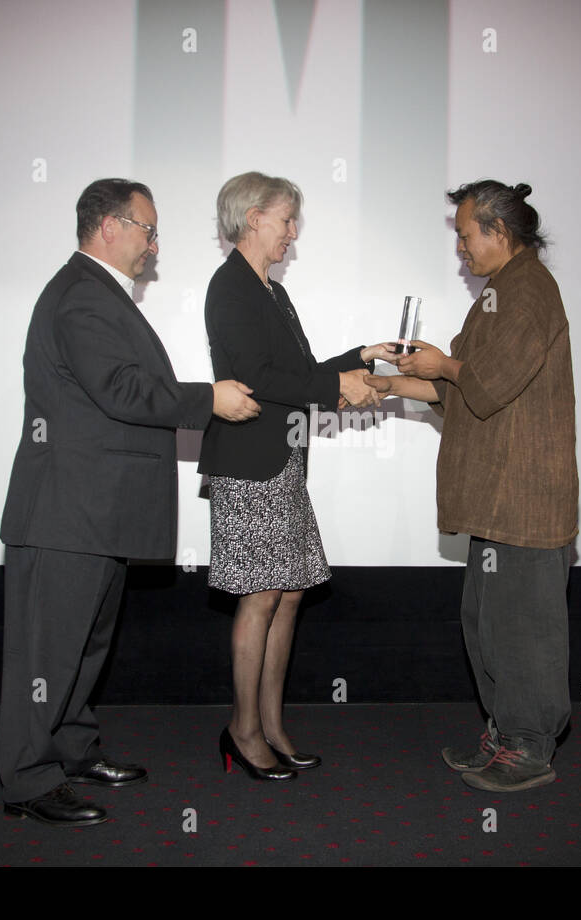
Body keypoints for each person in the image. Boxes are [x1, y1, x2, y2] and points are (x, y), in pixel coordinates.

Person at [0, 178, 261, 825]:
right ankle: (28, 781)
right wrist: (209, 399)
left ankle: (73, 749)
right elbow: (121, 389)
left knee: (84, 646)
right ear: (109, 226)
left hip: (94, 516)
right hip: (67, 515)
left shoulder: (96, 295)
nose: (154, 243)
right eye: (148, 229)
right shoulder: (81, 297)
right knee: (48, 655)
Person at [367, 180, 578, 792]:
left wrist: (443, 366)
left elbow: (485, 382)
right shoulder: (499, 293)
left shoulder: (530, 291)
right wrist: (388, 384)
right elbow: (455, 387)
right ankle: (505, 733)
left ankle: (529, 748)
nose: (460, 248)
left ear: (499, 232)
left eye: (465, 235)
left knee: (524, 628)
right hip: (497, 496)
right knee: (486, 621)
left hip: (526, 497)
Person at [198, 171, 393, 780]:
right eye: (286, 220)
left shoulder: (272, 292)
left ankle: (273, 724)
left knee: (290, 592)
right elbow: (258, 378)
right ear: (252, 216)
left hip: (282, 462)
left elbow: (302, 373)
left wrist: (361, 357)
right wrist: (337, 385)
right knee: (259, 597)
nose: (292, 233)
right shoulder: (229, 286)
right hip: (249, 464)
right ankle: (242, 729)